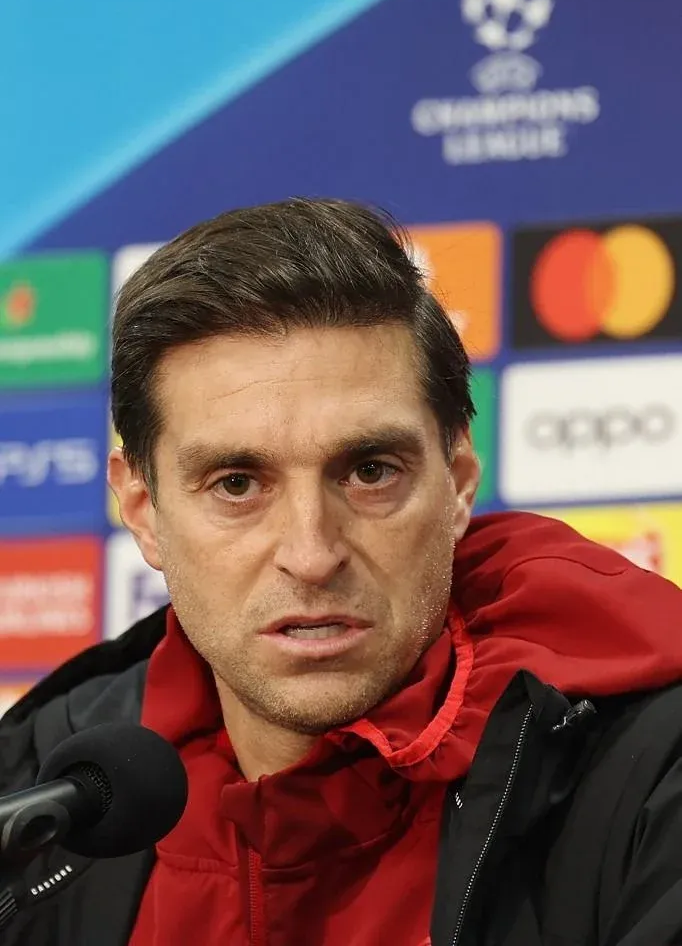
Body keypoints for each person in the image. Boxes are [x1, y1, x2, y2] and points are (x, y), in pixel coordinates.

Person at [1, 198, 682, 946]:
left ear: (457, 485)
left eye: (370, 471)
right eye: (237, 483)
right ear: (143, 511)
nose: (312, 553)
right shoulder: (41, 799)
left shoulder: (654, 775)